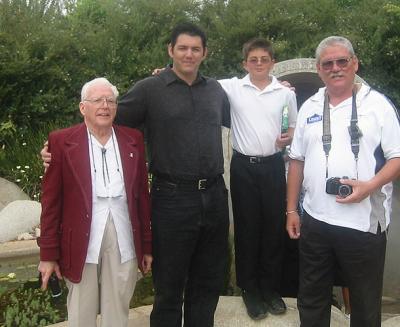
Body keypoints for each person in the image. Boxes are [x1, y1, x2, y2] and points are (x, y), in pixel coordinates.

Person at [42, 23, 230, 327]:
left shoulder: (216, 90)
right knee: (169, 286)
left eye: (196, 49)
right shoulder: (149, 89)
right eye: (182, 48)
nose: (189, 54)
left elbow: (244, 119)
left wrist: (276, 88)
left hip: (214, 195)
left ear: (205, 53)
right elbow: (101, 120)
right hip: (172, 198)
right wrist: (58, 149)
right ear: (170, 50)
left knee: (208, 282)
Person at [286, 36, 400, 327]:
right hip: (315, 219)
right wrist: (291, 210)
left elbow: (397, 158)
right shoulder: (310, 105)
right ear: (319, 68)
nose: (335, 68)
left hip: (363, 223)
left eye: (342, 61)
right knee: (311, 297)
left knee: (364, 302)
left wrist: (370, 186)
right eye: (328, 63)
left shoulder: (377, 105)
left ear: (354, 63)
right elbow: (296, 160)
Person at [38, 77, 152, 327]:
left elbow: (142, 196)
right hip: (80, 236)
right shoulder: (61, 141)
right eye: (97, 100)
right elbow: (51, 203)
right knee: (81, 309)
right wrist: (48, 254)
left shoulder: (133, 139)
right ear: (83, 108)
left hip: (123, 233)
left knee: (118, 306)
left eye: (110, 100)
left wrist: (146, 245)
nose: (104, 105)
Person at [218, 38, 297, 319]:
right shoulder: (232, 87)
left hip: (274, 166)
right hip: (243, 168)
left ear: (272, 62)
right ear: (244, 63)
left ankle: (270, 289)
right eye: (254, 59)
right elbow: (198, 81)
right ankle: (249, 290)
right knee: (247, 229)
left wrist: (286, 139)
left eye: (264, 59)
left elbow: (293, 128)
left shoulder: (285, 94)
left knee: (273, 230)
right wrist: (166, 71)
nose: (259, 63)